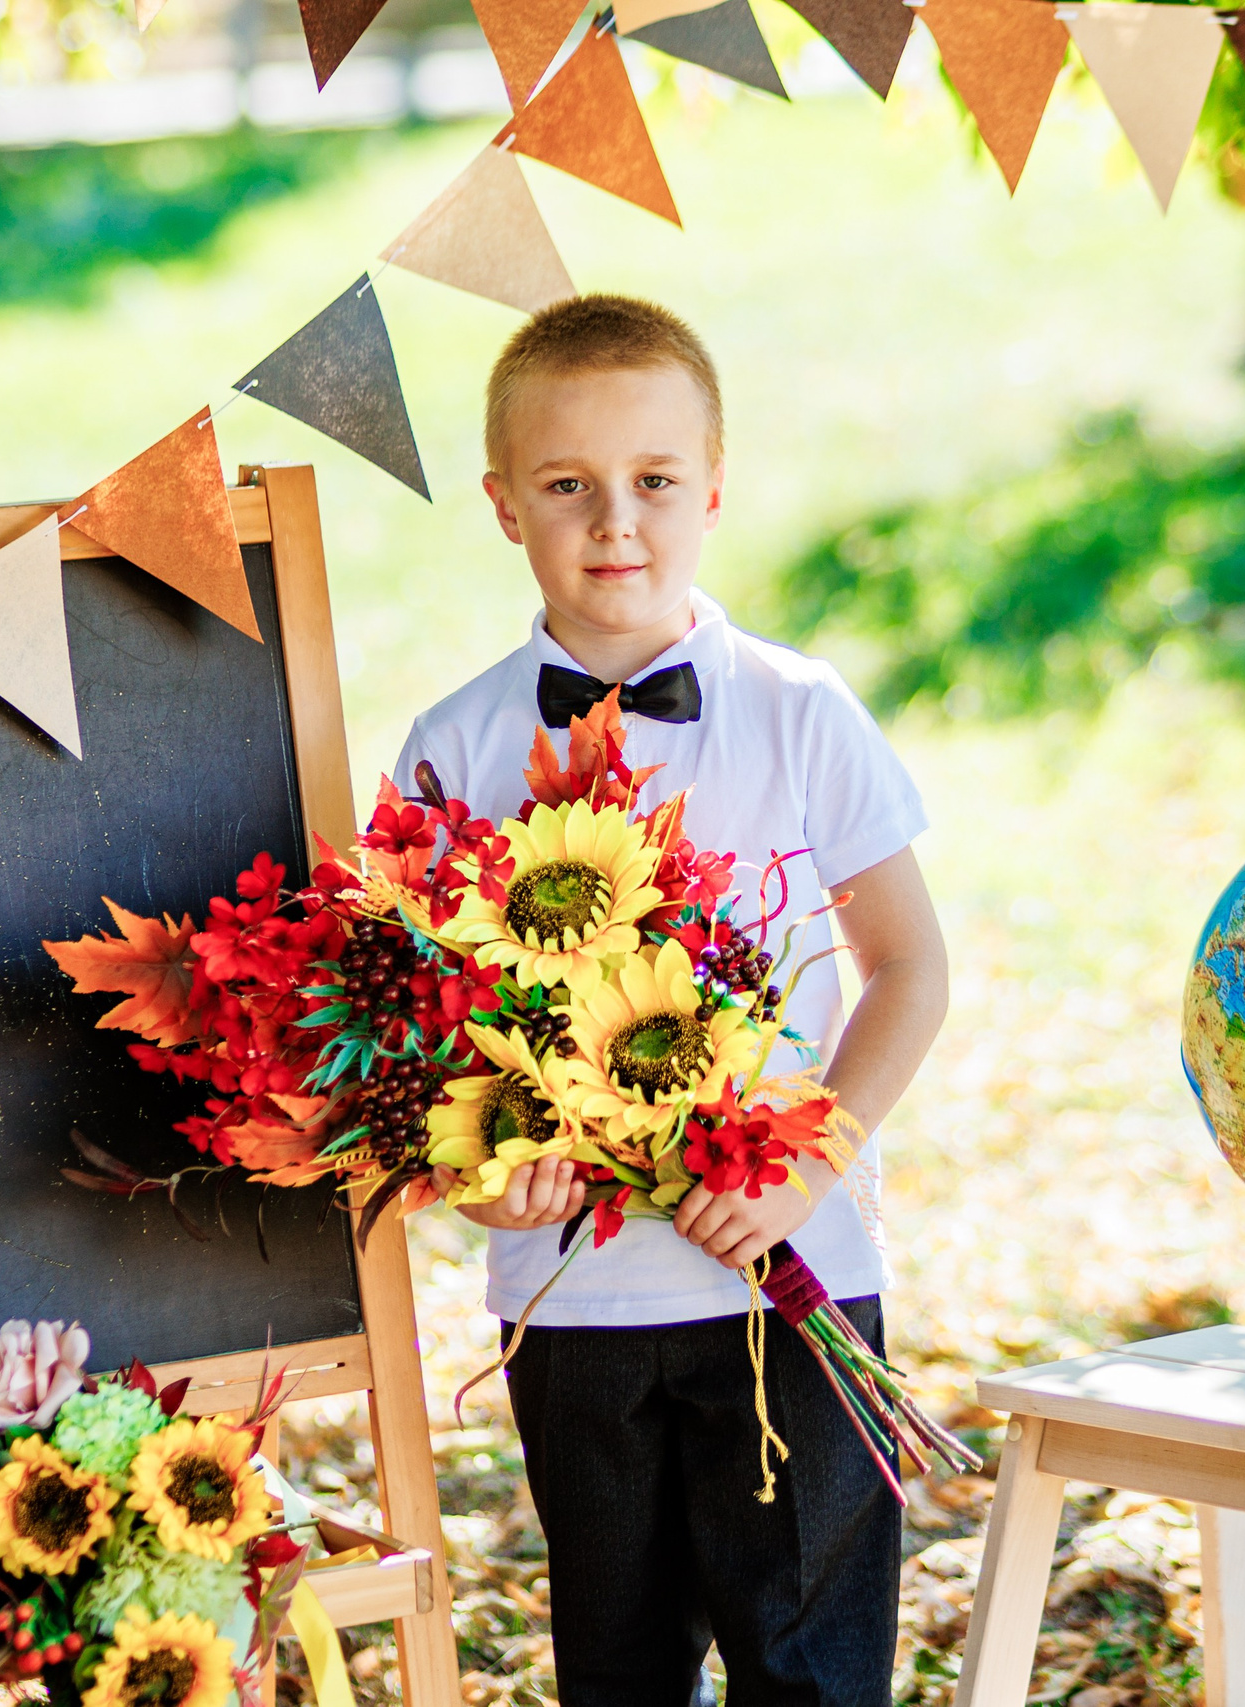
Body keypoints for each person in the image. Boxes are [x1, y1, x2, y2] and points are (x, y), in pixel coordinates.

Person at [393, 295, 951, 1705]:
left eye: (652, 483)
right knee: (620, 1670)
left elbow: (911, 968)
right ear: (504, 506)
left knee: (808, 1669)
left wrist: (806, 1158)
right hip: (570, 1307)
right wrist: (483, 1170)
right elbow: (421, 1037)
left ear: (713, 491)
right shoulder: (455, 747)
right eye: (568, 487)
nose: (614, 524)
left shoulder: (799, 709)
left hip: (789, 1277)